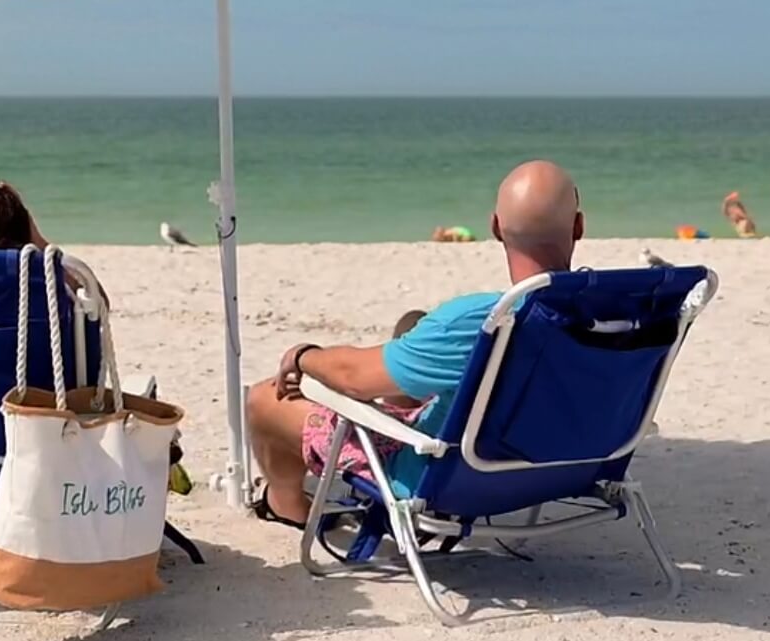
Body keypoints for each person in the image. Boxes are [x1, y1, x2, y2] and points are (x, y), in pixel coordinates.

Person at [246, 159, 584, 529]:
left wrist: (304, 356)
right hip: (560, 468)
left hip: (443, 478)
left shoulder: (483, 320)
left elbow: (352, 378)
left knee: (265, 399)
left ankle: (286, 504)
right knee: (412, 327)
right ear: (579, 226)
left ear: (495, 228)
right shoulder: (624, 311)